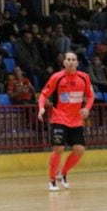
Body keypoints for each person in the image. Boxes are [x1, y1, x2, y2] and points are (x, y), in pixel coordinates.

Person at [37, 52, 94, 192]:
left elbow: (91, 96)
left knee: (79, 150)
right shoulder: (57, 77)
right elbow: (44, 94)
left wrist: (86, 108)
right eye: (68, 59)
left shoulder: (84, 77)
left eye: (73, 60)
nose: (70, 62)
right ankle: (51, 180)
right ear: (64, 62)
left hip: (76, 121)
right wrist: (41, 108)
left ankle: (62, 173)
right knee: (59, 149)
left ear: (77, 63)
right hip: (59, 118)